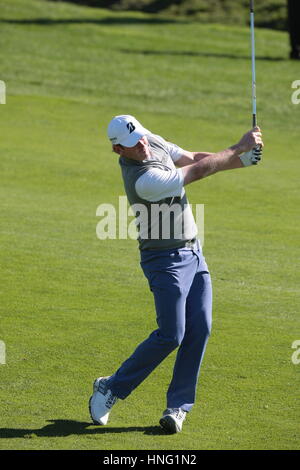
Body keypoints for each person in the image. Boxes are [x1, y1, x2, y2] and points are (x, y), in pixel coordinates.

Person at [89, 115, 263, 434]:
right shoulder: (144, 179)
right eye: (132, 144)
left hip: (194, 252)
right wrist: (239, 147)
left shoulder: (151, 141)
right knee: (171, 334)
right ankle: (111, 387)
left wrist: (243, 161)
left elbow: (194, 158)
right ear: (118, 150)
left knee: (201, 327)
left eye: (140, 137)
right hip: (163, 260)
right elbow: (196, 172)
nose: (141, 145)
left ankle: (177, 407)